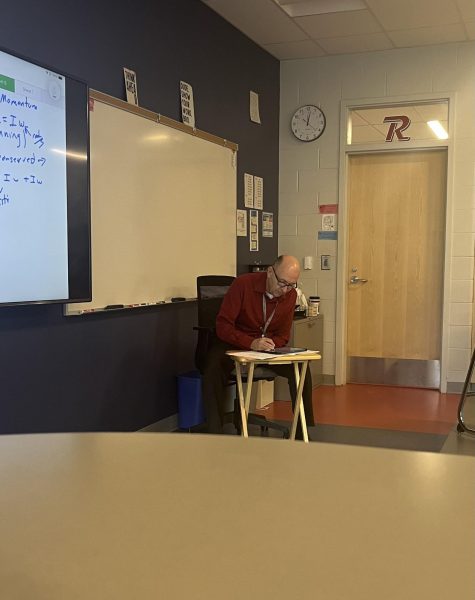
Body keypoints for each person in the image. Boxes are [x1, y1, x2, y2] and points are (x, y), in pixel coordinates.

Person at [202, 255, 315, 438]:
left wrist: (269, 345)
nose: (285, 290)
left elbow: (283, 336)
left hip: (265, 349)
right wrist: (250, 343)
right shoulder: (243, 285)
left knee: (301, 366)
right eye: (282, 283)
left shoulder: (290, 295)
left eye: (291, 285)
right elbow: (223, 326)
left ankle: (302, 429)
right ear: (270, 272)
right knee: (213, 366)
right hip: (234, 343)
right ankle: (214, 430)